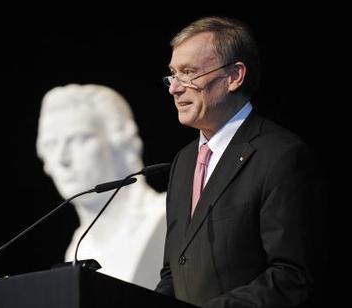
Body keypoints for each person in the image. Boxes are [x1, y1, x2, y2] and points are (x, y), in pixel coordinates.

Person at [155, 16, 325, 307]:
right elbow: (173, 270)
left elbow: (290, 275)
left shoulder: (280, 155)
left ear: (234, 76)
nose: (175, 88)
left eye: (189, 73)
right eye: (173, 74)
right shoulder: (183, 162)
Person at [36, 83, 167, 290]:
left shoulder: (166, 218)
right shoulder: (78, 247)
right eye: (50, 145)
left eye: (78, 139)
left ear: (119, 143)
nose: (62, 159)